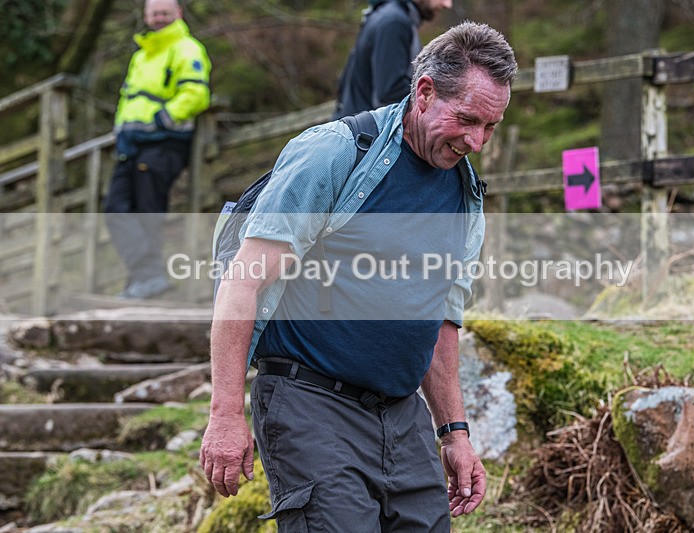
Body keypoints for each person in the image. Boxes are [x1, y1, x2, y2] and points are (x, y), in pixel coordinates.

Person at [200, 21, 517, 532]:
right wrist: (225, 413)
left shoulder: (465, 196)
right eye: (466, 120)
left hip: (401, 415)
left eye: (491, 127)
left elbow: (440, 323)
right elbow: (245, 281)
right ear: (424, 91)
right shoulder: (336, 154)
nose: (477, 141)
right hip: (311, 404)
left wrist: (455, 434)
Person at [104, 0, 211, 299]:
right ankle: (146, 277)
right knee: (116, 209)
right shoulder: (140, 56)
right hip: (131, 146)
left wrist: (161, 120)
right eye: (154, 13)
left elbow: (196, 93)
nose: (159, 18)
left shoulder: (187, 48)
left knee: (147, 211)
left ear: (178, 13)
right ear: (145, 16)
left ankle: (148, 281)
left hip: (163, 144)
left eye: (164, 12)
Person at [333, 0, 453, 119]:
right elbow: (389, 92)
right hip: (364, 133)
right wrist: (437, 97)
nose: (447, 5)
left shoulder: (388, 14)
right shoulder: (394, 22)